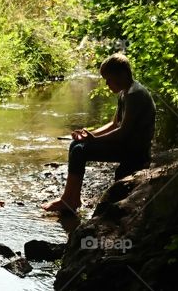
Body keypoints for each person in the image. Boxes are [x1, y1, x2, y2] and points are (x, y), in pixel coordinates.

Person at [42, 53, 156, 215]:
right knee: (76, 144)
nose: (107, 84)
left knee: (80, 150)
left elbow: (123, 132)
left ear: (122, 75)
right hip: (126, 144)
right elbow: (114, 123)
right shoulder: (125, 92)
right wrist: (89, 134)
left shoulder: (135, 95)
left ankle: (69, 200)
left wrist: (94, 139)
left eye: (109, 79)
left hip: (135, 152)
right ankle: (72, 197)